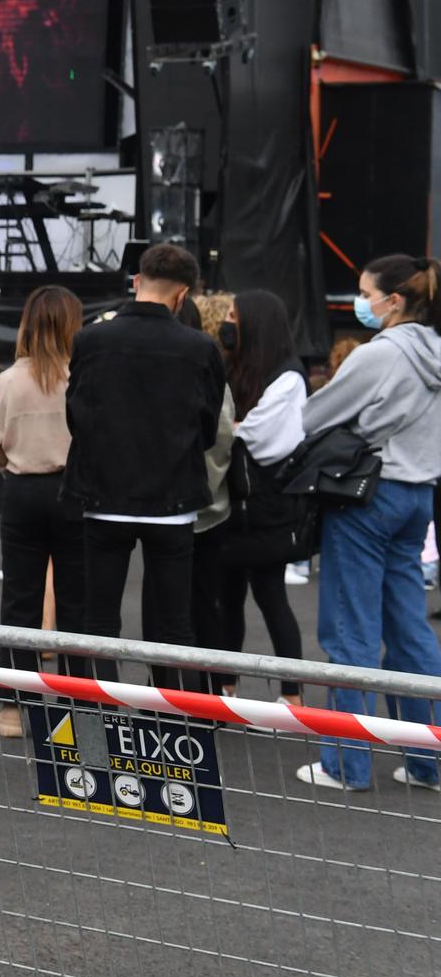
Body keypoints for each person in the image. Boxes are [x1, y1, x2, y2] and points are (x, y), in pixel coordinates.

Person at [295, 255, 441, 791]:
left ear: (394, 300)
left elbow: (313, 417)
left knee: (350, 630)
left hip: (366, 497)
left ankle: (345, 764)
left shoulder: (379, 356)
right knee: (410, 630)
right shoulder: (437, 354)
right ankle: (429, 760)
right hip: (418, 497)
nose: (361, 302)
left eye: (365, 292)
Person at [62, 244, 225, 692]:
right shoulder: (201, 347)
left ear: (137, 280)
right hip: (173, 501)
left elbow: (76, 416)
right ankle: (174, 734)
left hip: (102, 496)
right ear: (183, 294)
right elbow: (208, 428)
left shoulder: (91, 339)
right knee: (174, 624)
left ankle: (97, 726)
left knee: (98, 620)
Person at [0, 286, 86, 737]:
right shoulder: (83, 376)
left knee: (20, 602)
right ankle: (77, 708)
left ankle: (11, 708)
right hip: (75, 492)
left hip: (22, 492)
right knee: (78, 604)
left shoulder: (7, 380)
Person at [204, 289, 307, 703]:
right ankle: (227, 684)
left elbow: (264, 436)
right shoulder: (235, 368)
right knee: (228, 599)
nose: (226, 322)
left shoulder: (288, 376)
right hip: (233, 506)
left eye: (233, 314)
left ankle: (293, 695)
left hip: (267, 509)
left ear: (255, 322)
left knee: (270, 596)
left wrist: (230, 427)